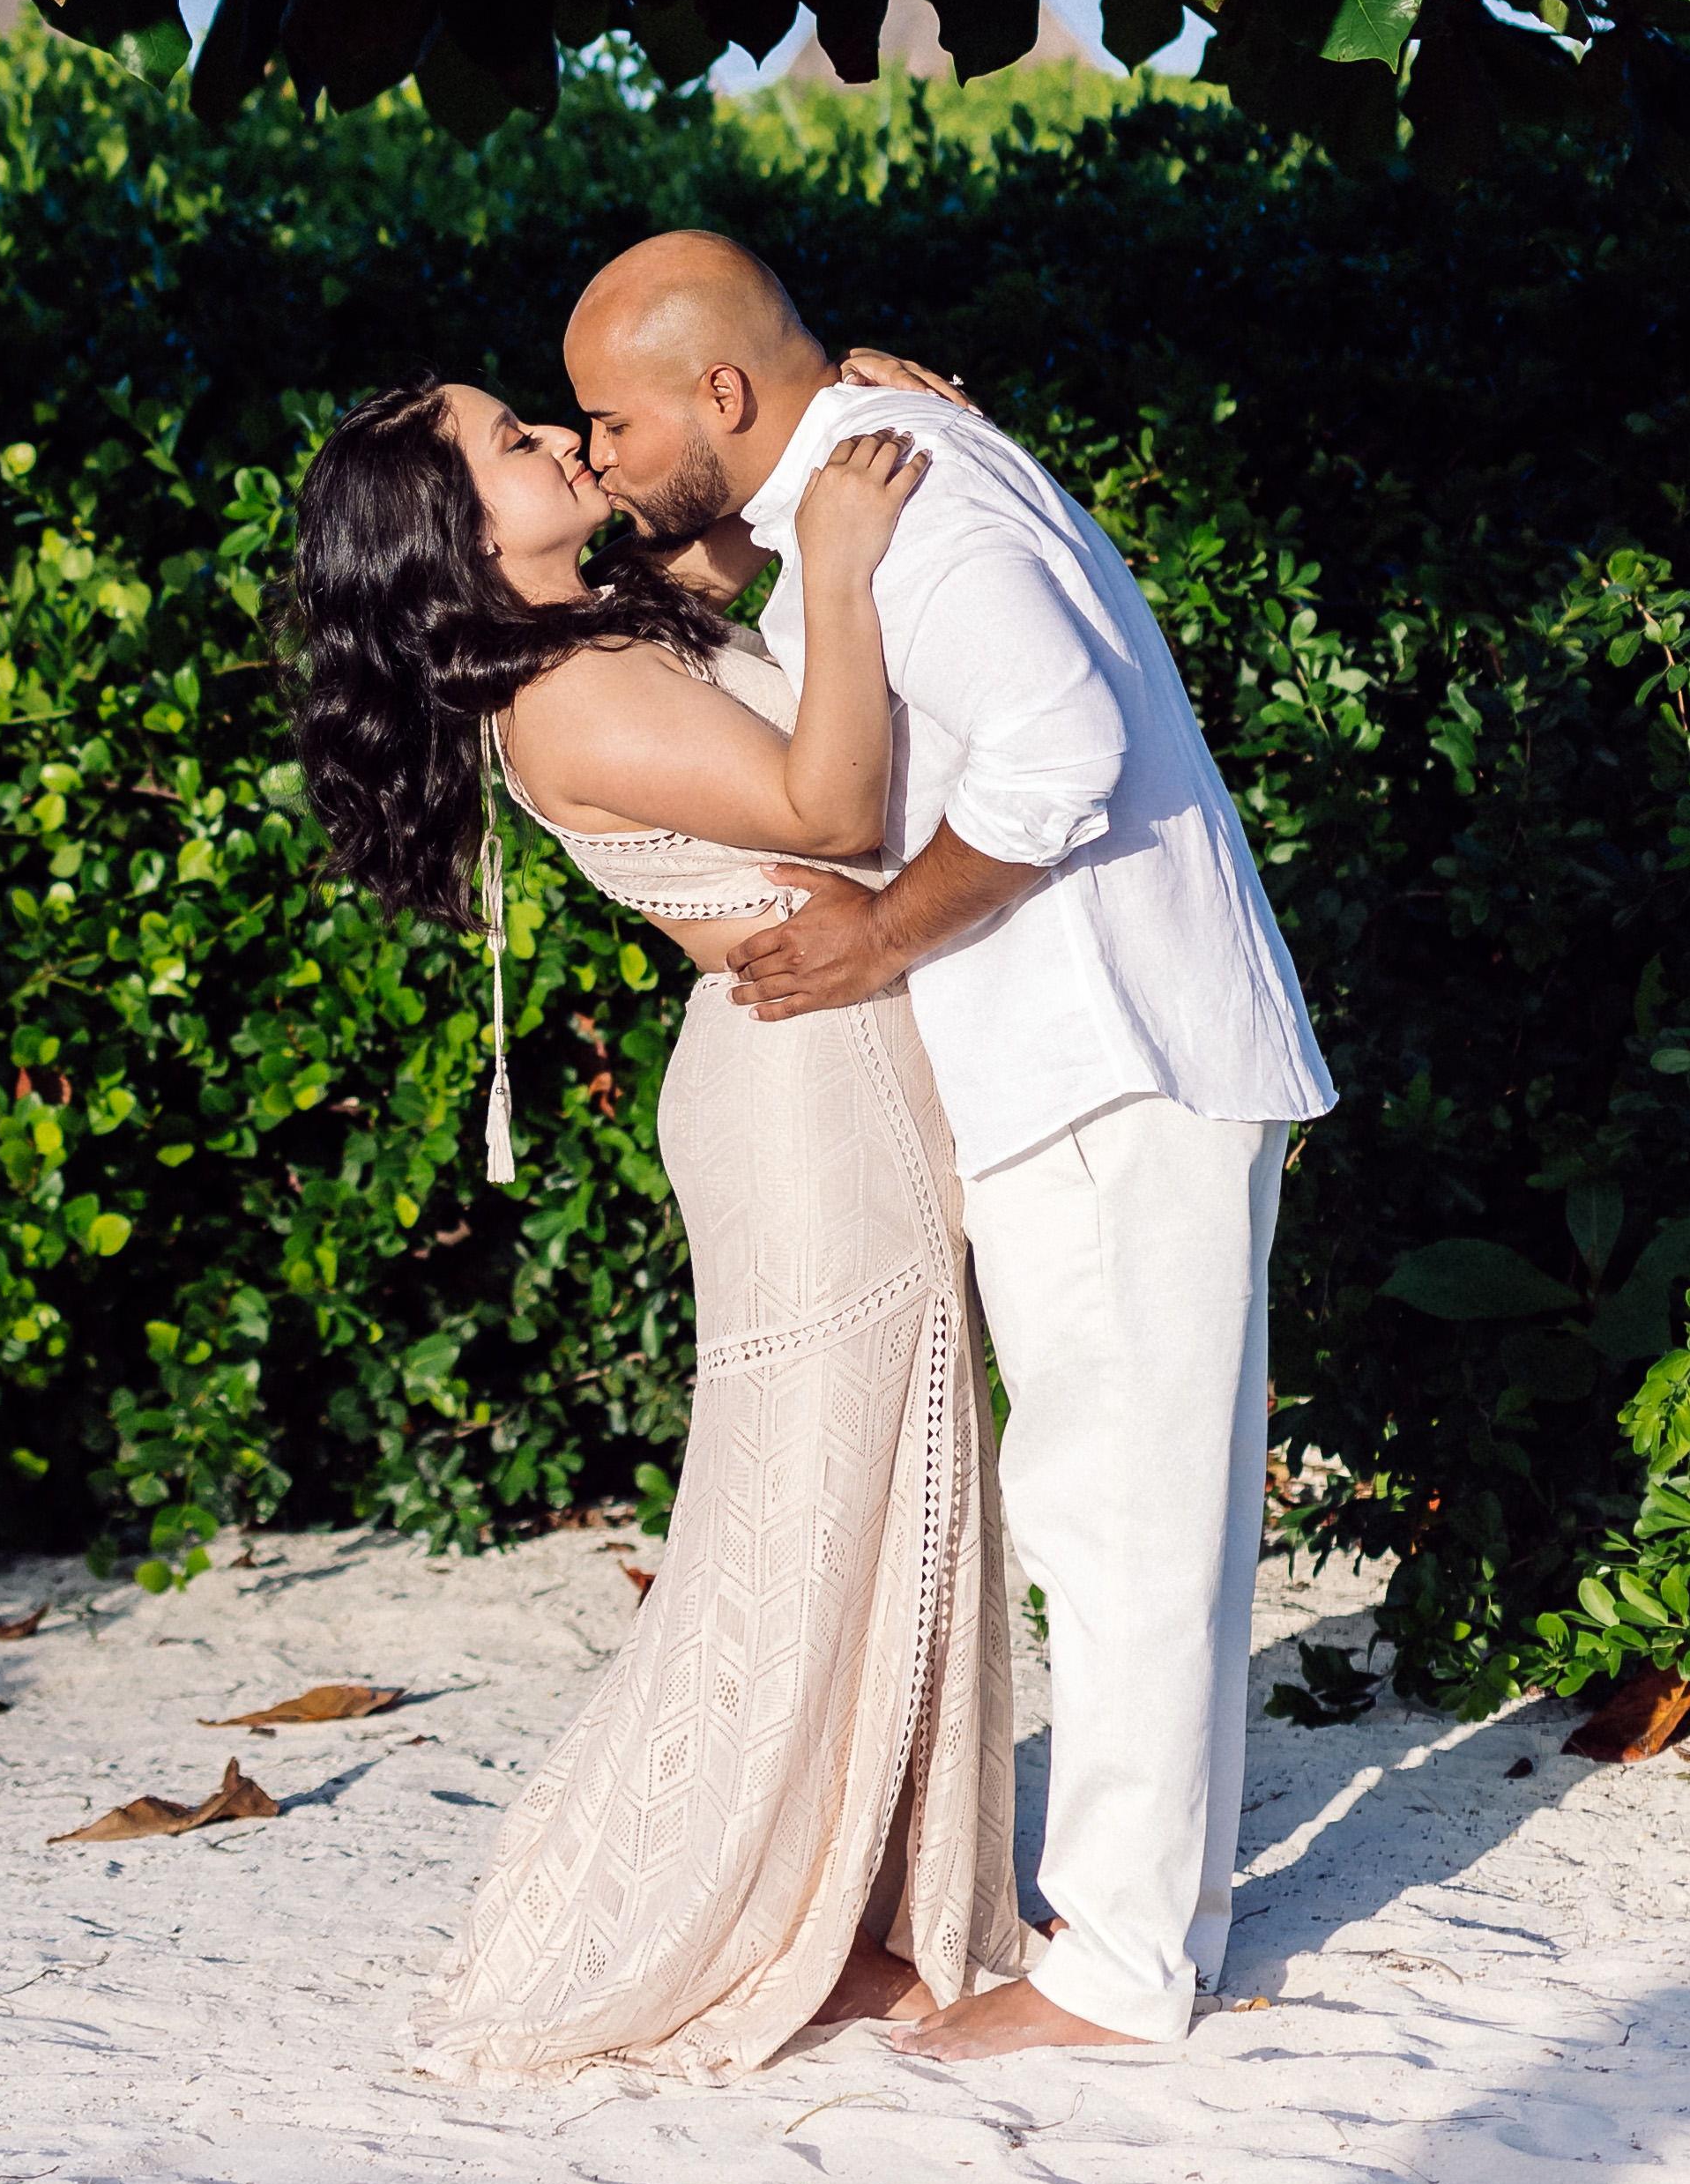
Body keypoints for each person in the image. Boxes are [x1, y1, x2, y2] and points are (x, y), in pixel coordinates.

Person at [562, 232, 1339, 2062]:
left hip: (1113, 1063)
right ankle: (1139, 1930)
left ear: (722, 393)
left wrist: (882, 935)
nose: (595, 454)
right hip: (1098, 1063)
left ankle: (1119, 1971)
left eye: (610, 422)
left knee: (1124, 1520)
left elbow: (1061, 751)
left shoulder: (912, 503)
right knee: (1123, 1504)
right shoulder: (862, 482)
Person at [282, 379, 1034, 2084]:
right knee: (817, 1502)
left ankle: (864, 1907)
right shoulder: (564, 698)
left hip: (841, 1061)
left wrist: (863, 412)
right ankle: (781, 1920)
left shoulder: (612, 626)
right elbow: (835, 813)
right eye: (511, 441)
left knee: (888, 1484)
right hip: (806, 1097)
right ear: (459, 529)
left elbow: (728, 498)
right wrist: (834, 559)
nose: (559, 438)